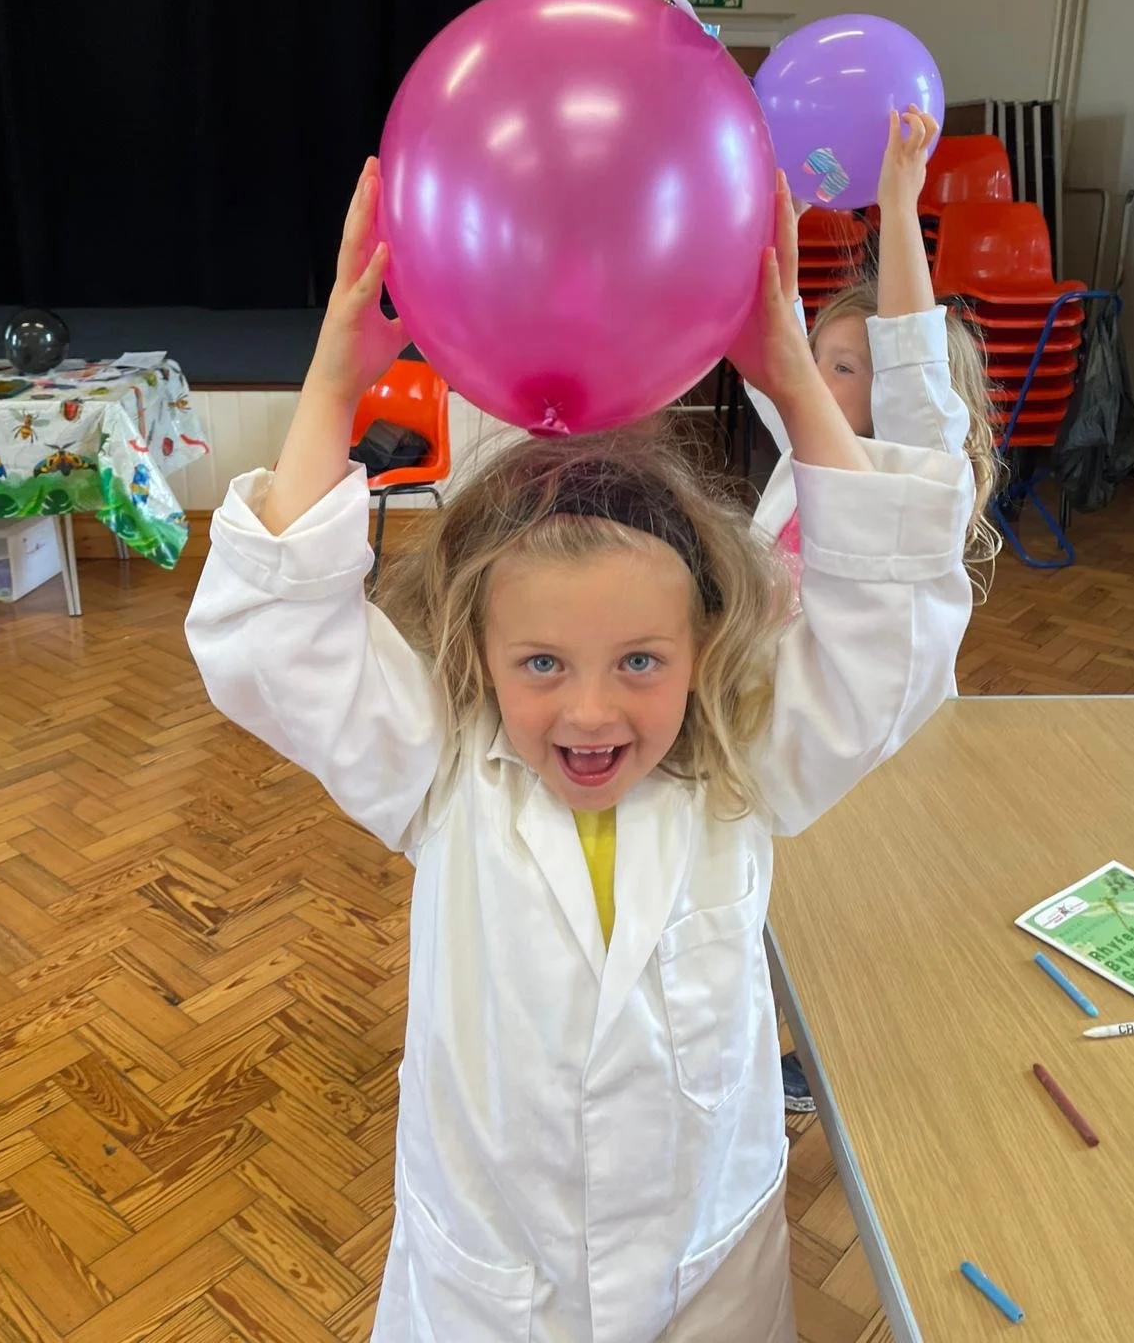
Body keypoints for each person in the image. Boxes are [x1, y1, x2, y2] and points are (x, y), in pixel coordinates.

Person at [185, 156, 975, 1343]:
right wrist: (331, 382)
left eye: (642, 662)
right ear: (474, 659)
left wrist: (800, 383)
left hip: (705, 1266)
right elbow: (269, 636)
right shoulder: (441, 772)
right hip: (495, 1284)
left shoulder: (741, 769)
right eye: (542, 665)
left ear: (710, 650)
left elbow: (896, 639)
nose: (593, 714)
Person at [743, 107, 999, 1115]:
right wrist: (777, 221)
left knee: (855, 918)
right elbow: (775, 356)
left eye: (850, 366)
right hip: (798, 715)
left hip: (882, 746)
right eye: (826, 359)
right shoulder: (809, 445)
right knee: (776, 898)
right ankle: (769, 1041)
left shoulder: (918, 459)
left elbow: (909, 359)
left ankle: (833, 1048)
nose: (826, 375)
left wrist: (899, 196)